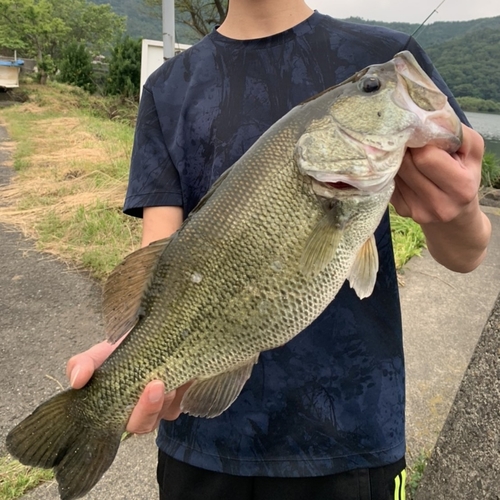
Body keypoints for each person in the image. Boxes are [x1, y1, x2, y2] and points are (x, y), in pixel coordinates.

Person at [67, 1, 491, 498]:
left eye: (369, 87)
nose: (380, 86)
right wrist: (132, 362)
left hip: (352, 440)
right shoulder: (167, 88)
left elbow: (466, 255)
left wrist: (461, 214)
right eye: (371, 87)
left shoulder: (386, 53)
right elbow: (160, 257)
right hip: (203, 446)